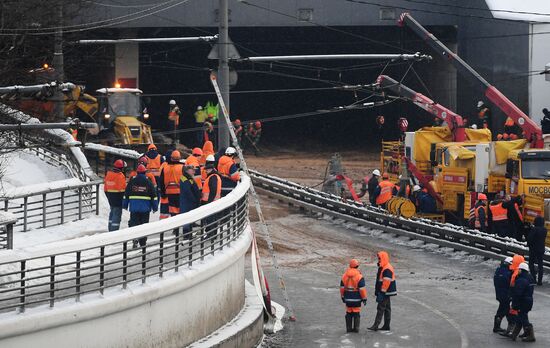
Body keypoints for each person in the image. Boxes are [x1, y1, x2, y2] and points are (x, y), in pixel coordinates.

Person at [123, 164, 158, 247]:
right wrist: (155, 207)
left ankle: (135, 238)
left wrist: (125, 205)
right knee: (144, 226)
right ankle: (143, 243)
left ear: (137, 172)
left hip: (134, 208)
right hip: (145, 209)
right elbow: (154, 196)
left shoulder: (132, 181)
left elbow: (126, 194)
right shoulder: (148, 182)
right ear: (145, 172)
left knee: (134, 224)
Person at [368, 251, 397, 331]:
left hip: (385, 292)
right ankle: (386, 325)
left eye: (379, 258)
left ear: (383, 258)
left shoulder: (386, 268)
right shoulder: (384, 266)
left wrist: (381, 292)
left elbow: (386, 282)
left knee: (380, 308)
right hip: (386, 291)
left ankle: (376, 325)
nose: (378, 260)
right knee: (387, 308)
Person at [509, 262, 536, 342]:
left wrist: (515, 304)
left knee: (523, 317)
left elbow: (517, 294)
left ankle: (531, 336)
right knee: (521, 316)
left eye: (519, 269)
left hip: (523, 301)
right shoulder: (530, 277)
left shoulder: (521, 280)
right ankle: (515, 334)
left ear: (522, 270)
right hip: (529, 300)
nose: (518, 270)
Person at [340, 259, 368, 333]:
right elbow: (362, 289)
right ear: (357, 266)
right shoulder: (359, 276)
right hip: (356, 298)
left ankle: (348, 329)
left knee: (349, 312)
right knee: (356, 313)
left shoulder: (344, 275)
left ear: (350, 266)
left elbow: (342, 288)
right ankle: (356, 329)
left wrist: (342, 297)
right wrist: (364, 298)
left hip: (347, 298)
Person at [159, 150, 184, 217]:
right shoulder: (182, 167)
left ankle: (175, 224)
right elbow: (185, 180)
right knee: (180, 209)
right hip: (180, 192)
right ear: (179, 158)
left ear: (171, 158)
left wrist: (163, 193)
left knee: (173, 210)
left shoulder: (165, 168)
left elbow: (161, 182)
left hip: (169, 192)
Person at [104, 159, 127, 231]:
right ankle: (114, 232)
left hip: (110, 197)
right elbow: (122, 189)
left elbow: (105, 188)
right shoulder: (120, 176)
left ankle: (110, 228)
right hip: (118, 199)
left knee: (112, 213)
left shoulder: (108, 174)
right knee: (117, 216)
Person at [179, 164, 201, 239]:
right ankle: (186, 235)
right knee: (186, 218)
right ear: (187, 170)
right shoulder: (184, 179)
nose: (194, 172)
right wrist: (194, 200)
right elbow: (187, 191)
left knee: (190, 218)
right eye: (193, 170)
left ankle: (189, 234)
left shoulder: (189, 178)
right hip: (186, 202)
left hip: (190, 202)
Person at [493, 256, 513, 333]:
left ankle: (499, 326)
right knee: (503, 310)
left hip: (499, 294)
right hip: (505, 295)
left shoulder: (499, 270)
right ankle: (498, 327)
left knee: (504, 309)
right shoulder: (507, 273)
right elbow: (509, 284)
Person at [527, 216, 546, 286]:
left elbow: (529, 238)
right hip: (541, 249)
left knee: (531, 263)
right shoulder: (544, 230)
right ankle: (540, 281)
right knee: (540, 264)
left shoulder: (534, 229)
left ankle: (534, 278)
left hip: (533, 249)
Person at [158, 150, 172, 220]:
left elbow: (160, 179)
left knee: (164, 212)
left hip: (164, 191)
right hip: (173, 192)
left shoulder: (163, 165)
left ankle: (162, 227)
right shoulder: (172, 166)